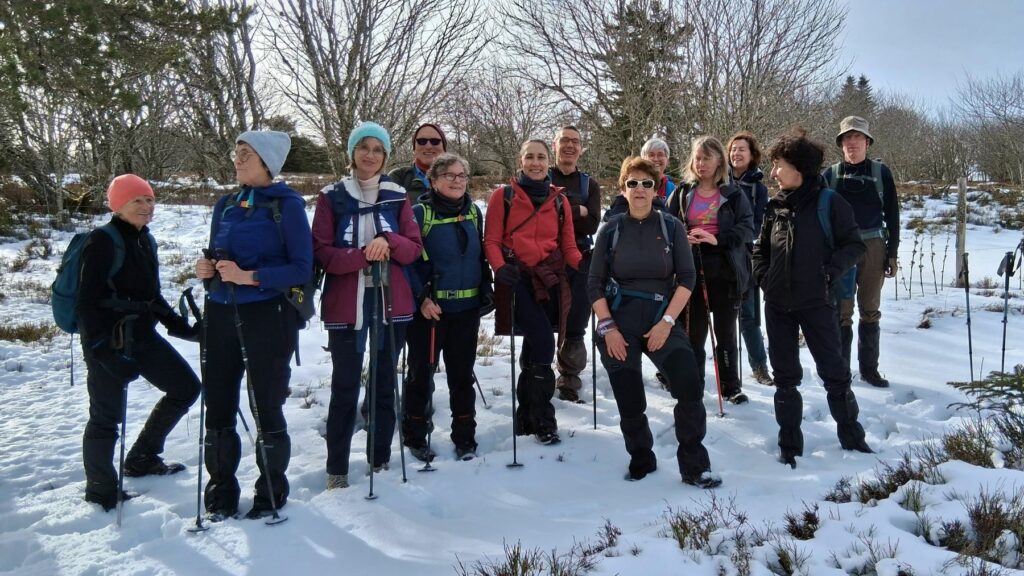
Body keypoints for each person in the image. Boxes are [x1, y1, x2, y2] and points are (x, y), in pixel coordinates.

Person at [194, 130, 312, 519]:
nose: (238, 159)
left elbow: (301, 268)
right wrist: (206, 269)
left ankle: (271, 493)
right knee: (219, 403)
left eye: (247, 154)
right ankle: (221, 492)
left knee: (265, 404)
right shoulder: (225, 204)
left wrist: (251, 277)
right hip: (220, 313)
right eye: (237, 153)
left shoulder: (287, 205)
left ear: (267, 162)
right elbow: (217, 255)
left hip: (267, 315)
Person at [589, 156, 722, 488]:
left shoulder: (671, 226)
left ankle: (694, 464)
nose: (639, 189)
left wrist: (666, 323)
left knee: (689, 384)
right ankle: (641, 458)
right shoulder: (611, 229)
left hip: (660, 317)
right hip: (619, 321)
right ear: (623, 188)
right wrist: (608, 329)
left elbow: (687, 278)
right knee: (629, 395)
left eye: (646, 184)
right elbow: (593, 283)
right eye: (632, 183)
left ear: (656, 189)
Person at [78, 174, 201, 511]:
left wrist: (182, 328)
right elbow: (86, 301)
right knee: (106, 415)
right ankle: (101, 489)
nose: (147, 207)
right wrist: (102, 352)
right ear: (118, 206)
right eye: (138, 201)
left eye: (149, 200)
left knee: (185, 387)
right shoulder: (101, 241)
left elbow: (152, 296)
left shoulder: (146, 239)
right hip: (108, 339)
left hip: (143, 335)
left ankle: (142, 457)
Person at [753, 128, 873, 468]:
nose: (773, 173)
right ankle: (789, 444)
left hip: (816, 302)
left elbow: (854, 244)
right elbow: (759, 250)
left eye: (778, 165)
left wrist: (829, 273)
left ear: (799, 167)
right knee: (785, 376)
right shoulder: (775, 206)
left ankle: (852, 436)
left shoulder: (829, 202)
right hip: (777, 305)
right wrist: (764, 277)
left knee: (834, 371)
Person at [313, 122, 423, 489]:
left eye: (378, 149)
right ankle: (337, 469)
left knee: (383, 384)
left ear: (386, 156)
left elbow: (413, 247)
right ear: (352, 153)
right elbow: (323, 253)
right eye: (364, 147)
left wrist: (388, 241)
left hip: (392, 303)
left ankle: (380, 460)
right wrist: (362, 256)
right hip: (347, 305)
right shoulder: (331, 197)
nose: (370, 155)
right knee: (344, 387)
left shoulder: (397, 196)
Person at [484, 139, 582, 445]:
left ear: (548, 160)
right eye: (530, 157)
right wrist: (500, 269)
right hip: (516, 279)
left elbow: (567, 246)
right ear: (521, 161)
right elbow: (491, 240)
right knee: (542, 342)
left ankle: (525, 416)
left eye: (541, 157)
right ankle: (542, 419)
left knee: (534, 346)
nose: (536, 162)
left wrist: (587, 268)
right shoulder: (504, 196)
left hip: (548, 278)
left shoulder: (559, 201)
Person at [401, 153, 493, 462]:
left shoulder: (474, 212)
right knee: (420, 375)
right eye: (449, 176)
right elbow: (407, 261)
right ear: (434, 180)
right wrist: (420, 299)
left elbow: (479, 255)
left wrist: (486, 288)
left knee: (461, 375)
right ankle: (414, 433)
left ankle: (465, 437)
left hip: (466, 309)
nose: (456, 181)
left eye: (462, 175)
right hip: (430, 311)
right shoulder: (419, 213)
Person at [667, 137, 754, 404]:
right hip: (692, 267)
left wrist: (719, 238)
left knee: (726, 333)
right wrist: (682, 235)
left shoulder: (733, 193)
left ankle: (730, 386)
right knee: (694, 333)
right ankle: (694, 384)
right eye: (697, 158)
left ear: (719, 161)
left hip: (725, 269)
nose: (701, 163)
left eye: (707, 157)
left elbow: (749, 228)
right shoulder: (683, 192)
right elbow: (667, 224)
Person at [822, 116, 900, 388]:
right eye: (847, 138)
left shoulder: (881, 173)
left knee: (870, 310)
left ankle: (869, 370)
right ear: (841, 144)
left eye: (857, 138)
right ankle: (840, 371)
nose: (852, 143)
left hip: (873, 246)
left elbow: (893, 214)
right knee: (841, 311)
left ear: (867, 142)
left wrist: (892, 254)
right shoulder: (829, 176)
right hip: (841, 249)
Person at [548, 126, 602, 403]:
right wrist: (575, 208)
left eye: (576, 141)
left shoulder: (588, 184)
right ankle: (538, 374)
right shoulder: (540, 174)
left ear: (581, 148)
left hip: (579, 258)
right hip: (542, 258)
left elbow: (592, 221)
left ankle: (570, 377)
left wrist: (558, 204)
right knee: (543, 319)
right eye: (565, 140)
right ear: (554, 145)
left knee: (577, 321)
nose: (570, 146)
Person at [727, 131, 773, 386]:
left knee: (749, 315)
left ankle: (759, 366)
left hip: (745, 255)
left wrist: (734, 234)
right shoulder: (718, 182)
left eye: (742, 149)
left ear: (752, 155)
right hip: (717, 254)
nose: (736, 153)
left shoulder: (758, 189)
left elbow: (758, 226)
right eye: (733, 149)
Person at [603, 136, 671, 222]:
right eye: (651, 155)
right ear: (643, 159)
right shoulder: (630, 186)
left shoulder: (675, 190)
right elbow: (613, 219)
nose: (655, 159)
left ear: (667, 160)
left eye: (660, 154)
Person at [388, 123, 448, 205]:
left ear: (444, 148)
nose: (428, 146)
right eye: (422, 141)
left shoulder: (457, 177)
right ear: (414, 148)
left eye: (435, 141)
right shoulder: (398, 177)